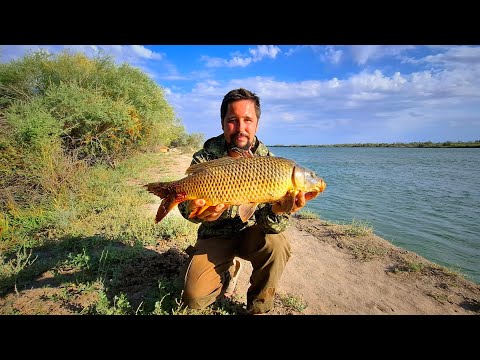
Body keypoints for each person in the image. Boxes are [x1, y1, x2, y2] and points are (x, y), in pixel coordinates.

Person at [178, 88, 309, 314]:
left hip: (250, 233)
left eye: (247, 120)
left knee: (278, 245)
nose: (240, 128)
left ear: (257, 123)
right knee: (193, 300)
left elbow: (271, 227)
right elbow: (185, 208)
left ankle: (259, 307)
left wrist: (279, 211)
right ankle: (226, 272)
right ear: (222, 123)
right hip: (215, 235)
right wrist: (198, 213)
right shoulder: (206, 156)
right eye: (232, 120)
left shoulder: (270, 163)